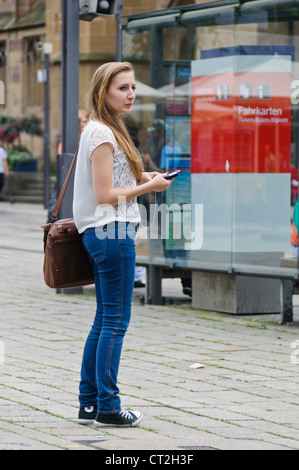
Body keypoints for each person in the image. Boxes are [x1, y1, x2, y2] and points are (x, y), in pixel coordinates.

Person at [73, 62, 171, 427]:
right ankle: (109, 408)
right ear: (104, 92)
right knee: (115, 321)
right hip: (111, 230)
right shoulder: (102, 133)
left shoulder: (103, 129)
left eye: (133, 88)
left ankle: (89, 404)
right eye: (122, 88)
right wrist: (149, 188)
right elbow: (105, 195)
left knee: (104, 320)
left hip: (105, 232)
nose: (131, 94)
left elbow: (114, 176)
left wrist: (147, 176)